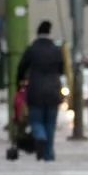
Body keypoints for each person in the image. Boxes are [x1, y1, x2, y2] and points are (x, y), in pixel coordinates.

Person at [17, 20, 65, 161]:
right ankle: (48, 154)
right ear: (50, 33)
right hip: (53, 92)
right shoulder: (56, 50)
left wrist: (19, 84)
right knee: (50, 124)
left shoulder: (31, 49)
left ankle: (39, 136)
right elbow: (61, 69)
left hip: (35, 91)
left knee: (36, 120)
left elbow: (21, 69)